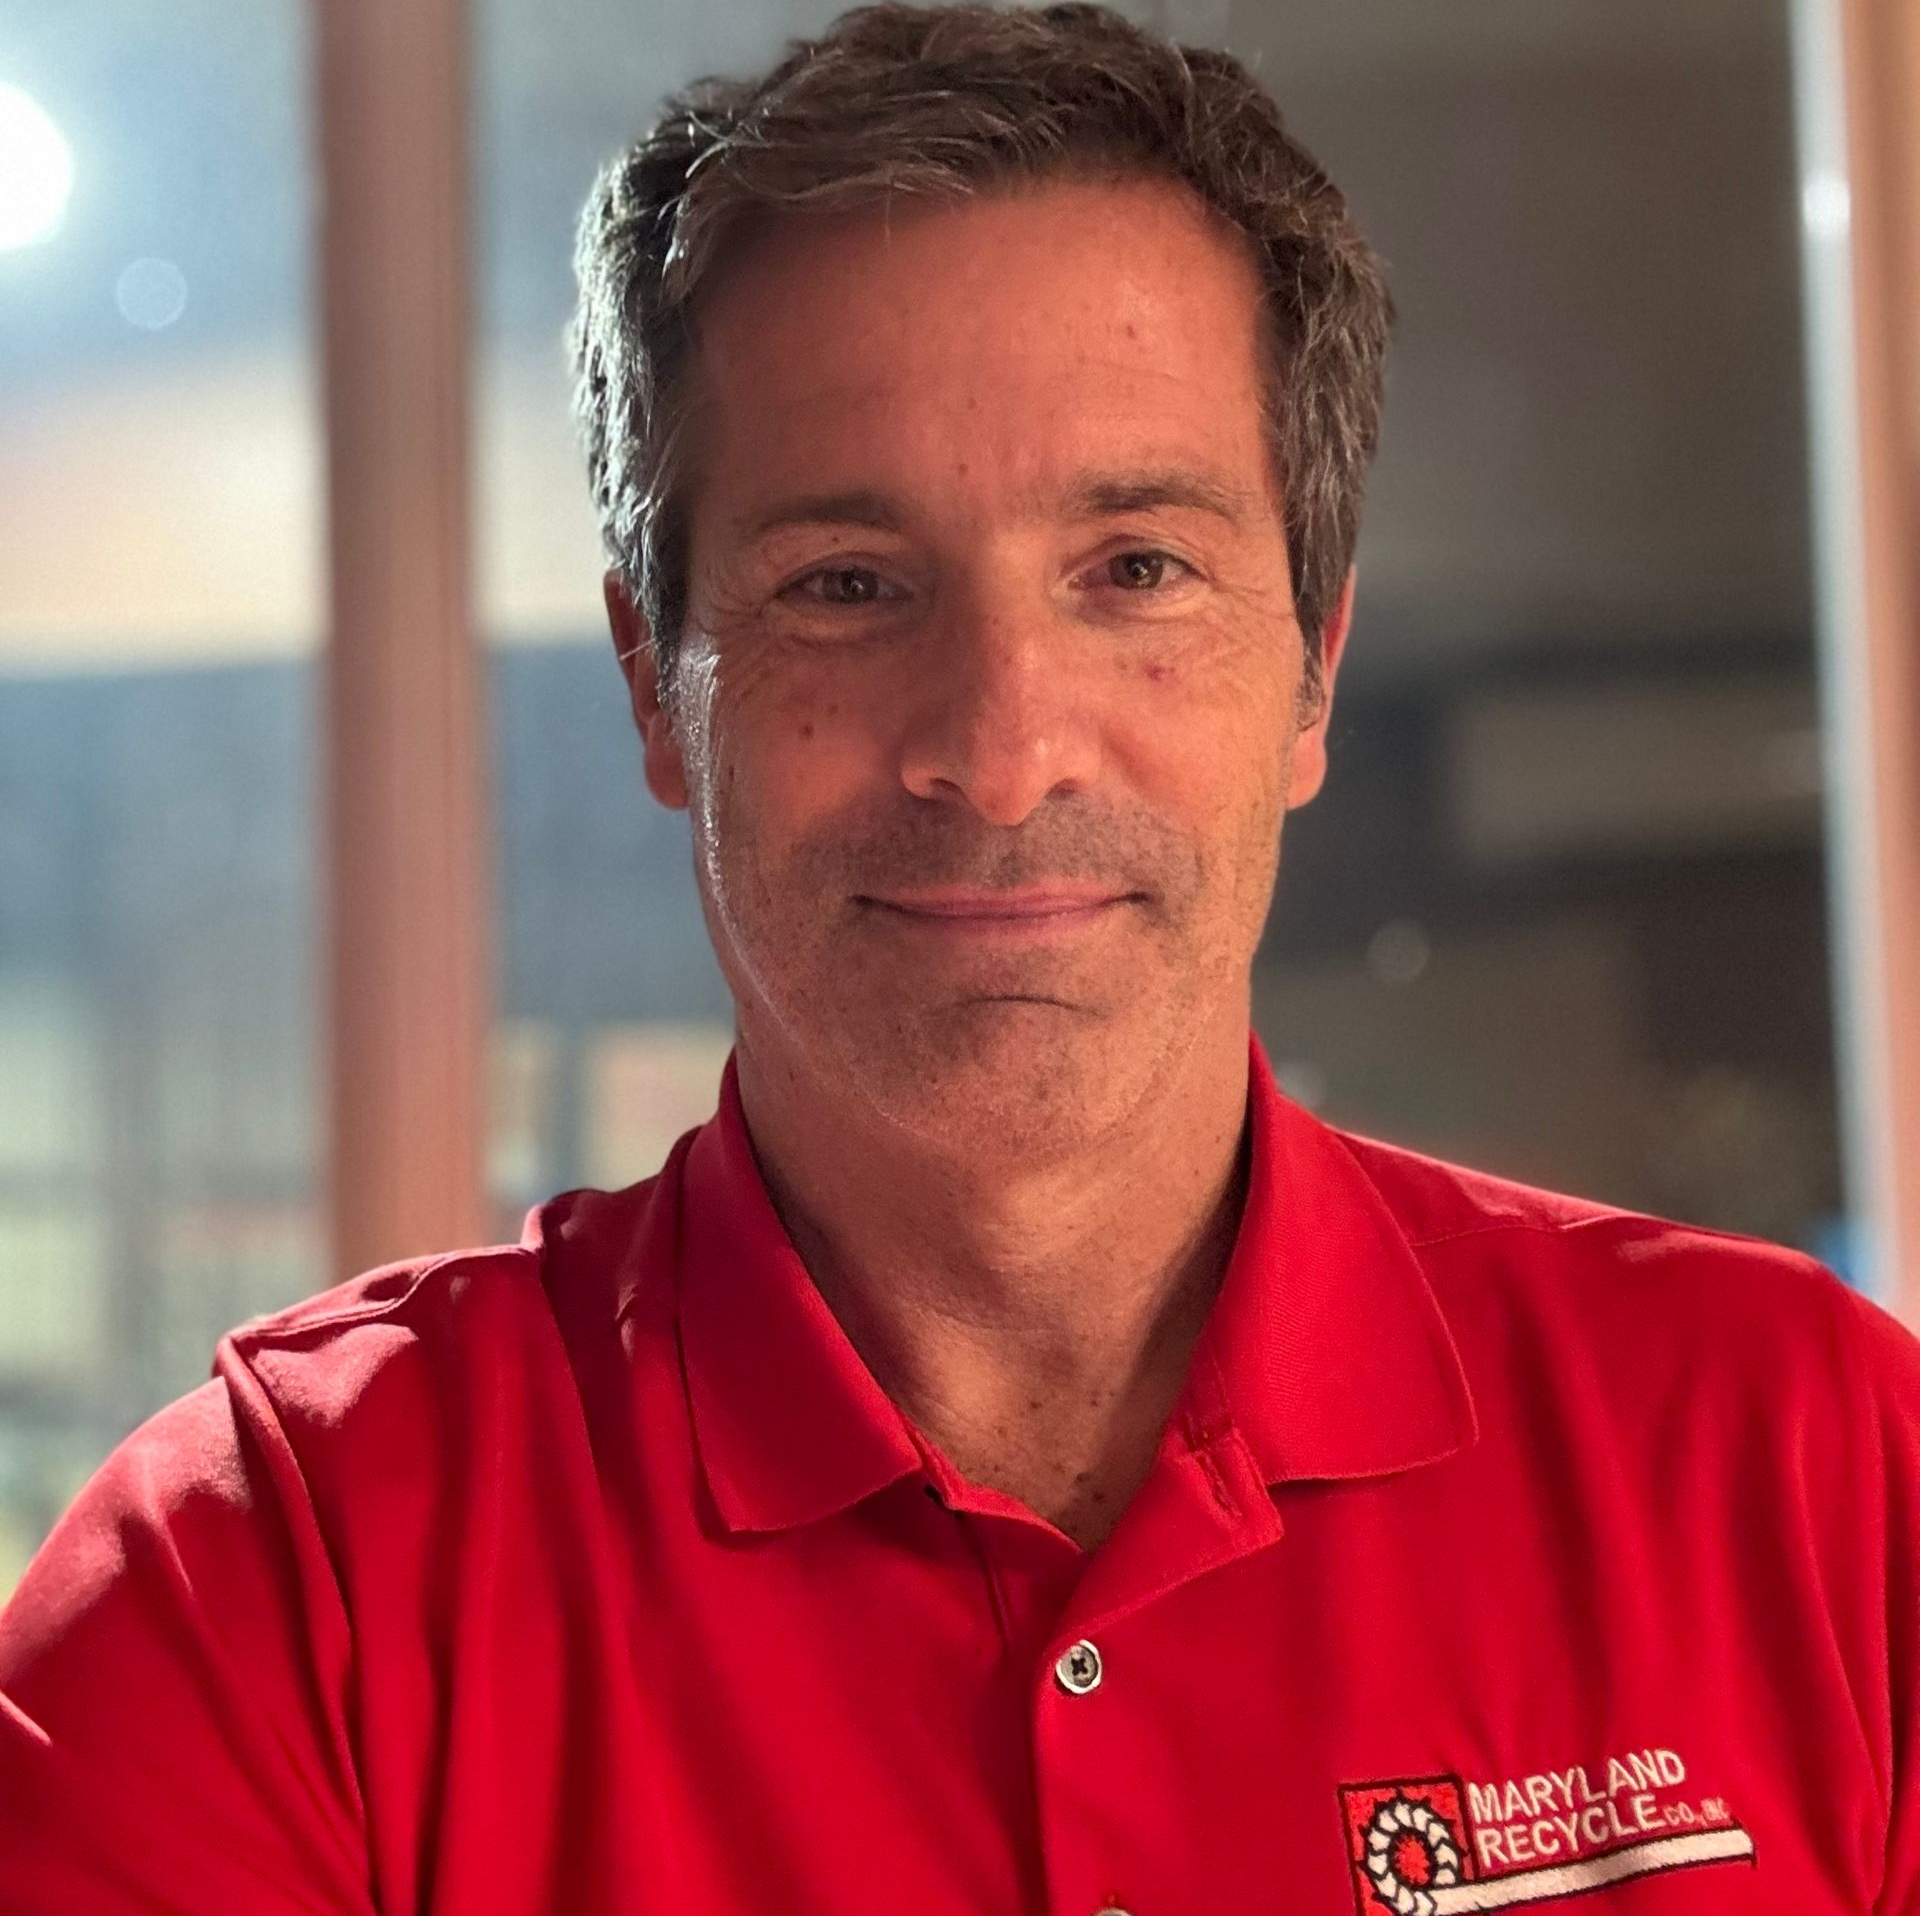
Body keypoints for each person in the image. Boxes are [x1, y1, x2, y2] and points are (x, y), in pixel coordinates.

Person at [1, 4, 1914, 1911]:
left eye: (1137, 571)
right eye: (845, 586)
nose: (1002, 752)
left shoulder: (1816, 1471)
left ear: (1314, 667)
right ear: (658, 694)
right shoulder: (267, 1585)